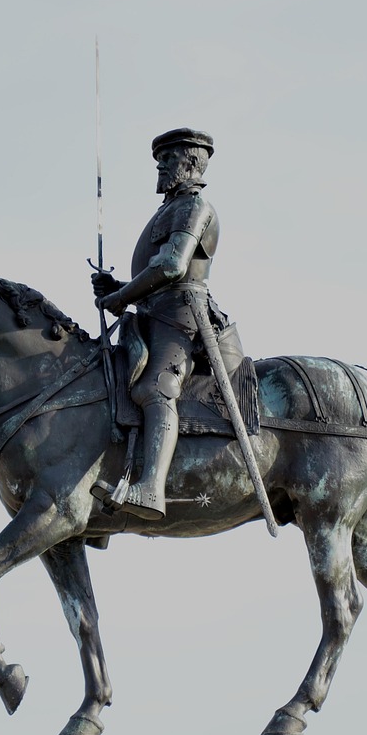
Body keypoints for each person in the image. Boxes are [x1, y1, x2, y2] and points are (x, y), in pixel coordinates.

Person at [91, 127, 226, 520]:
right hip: (153, 313)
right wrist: (118, 287)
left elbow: (171, 266)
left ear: (191, 162)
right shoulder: (169, 209)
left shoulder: (193, 207)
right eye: (159, 159)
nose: (160, 166)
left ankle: (150, 488)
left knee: (156, 388)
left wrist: (121, 297)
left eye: (168, 158)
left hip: (180, 316)